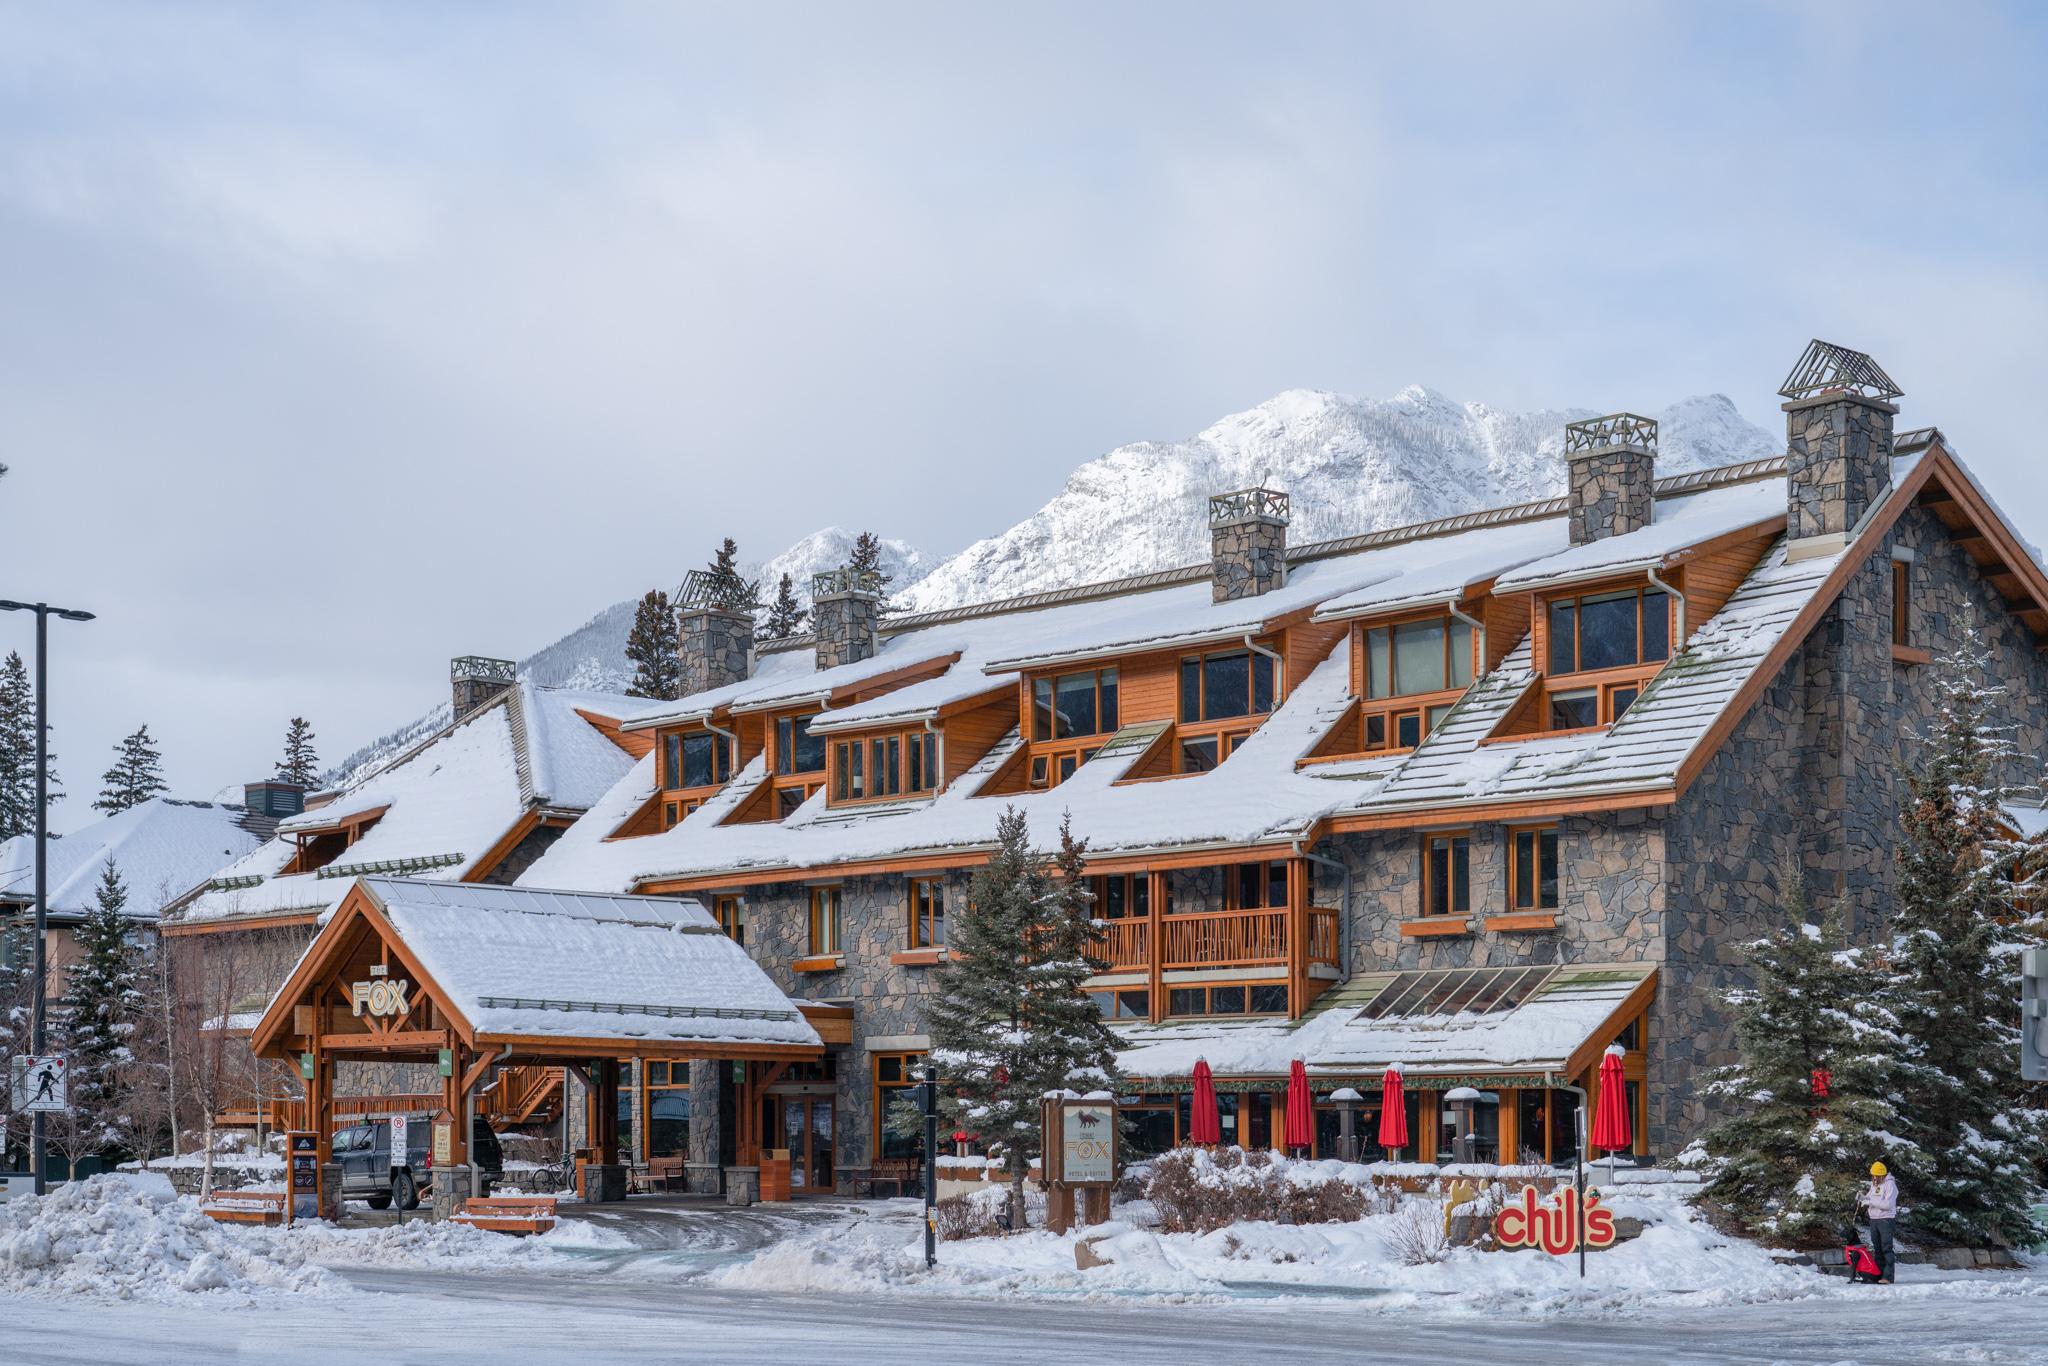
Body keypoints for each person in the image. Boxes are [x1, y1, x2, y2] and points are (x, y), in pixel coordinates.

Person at [1857, 1160, 1898, 1284]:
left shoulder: (1890, 1185)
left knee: (1886, 1248)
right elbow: (1870, 1196)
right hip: (1874, 1220)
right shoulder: (1875, 1184)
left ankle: (1888, 1276)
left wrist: (1871, 1202)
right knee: (1878, 1249)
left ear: (1883, 1175)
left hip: (1886, 1219)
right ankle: (1878, 1274)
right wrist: (1862, 1197)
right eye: (1873, 1175)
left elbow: (1888, 1204)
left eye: (1876, 1176)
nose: (1874, 1178)